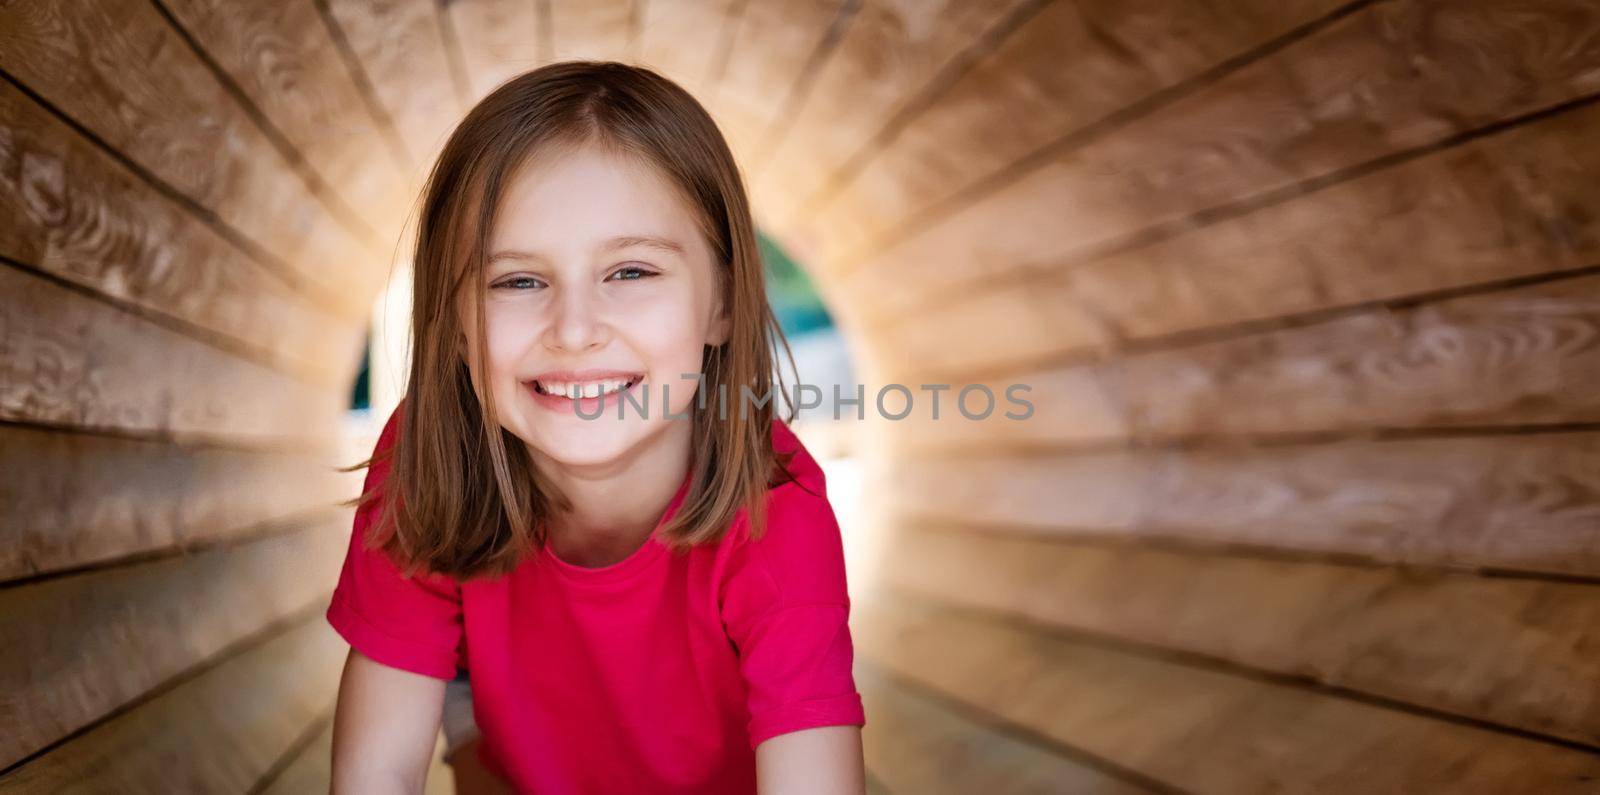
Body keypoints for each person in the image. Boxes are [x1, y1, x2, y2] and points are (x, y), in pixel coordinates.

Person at [325, 60, 867, 794]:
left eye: (632, 272)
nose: (575, 330)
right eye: (518, 281)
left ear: (722, 303)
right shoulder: (429, 456)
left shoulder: (776, 510)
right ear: (452, 324)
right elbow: (376, 776)